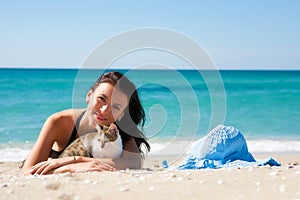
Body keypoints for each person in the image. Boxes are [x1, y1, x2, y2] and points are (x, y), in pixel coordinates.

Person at [21, 71, 150, 175]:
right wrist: (72, 168)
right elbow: (27, 171)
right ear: (89, 95)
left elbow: (133, 163)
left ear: (122, 114)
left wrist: (78, 161)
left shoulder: (117, 128)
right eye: (101, 99)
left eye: (115, 107)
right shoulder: (59, 122)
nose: (104, 110)